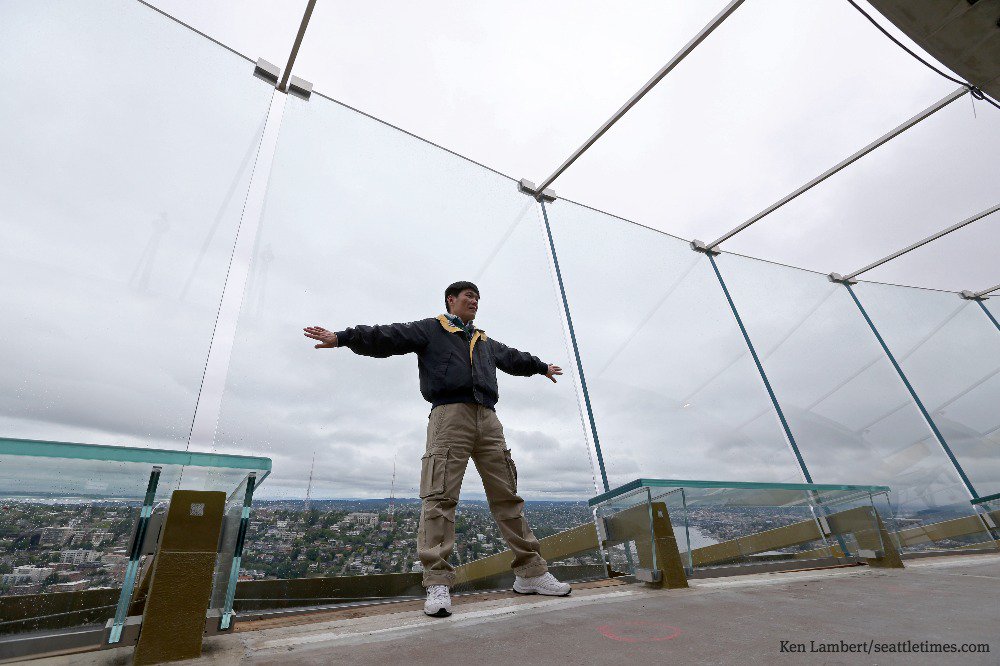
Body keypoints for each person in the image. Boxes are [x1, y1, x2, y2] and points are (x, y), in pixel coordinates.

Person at [303, 281, 572, 617]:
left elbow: (512, 358)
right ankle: (437, 582)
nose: (474, 301)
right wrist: (343, 337)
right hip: (449, 416)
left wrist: (541, 367)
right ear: (451, 300)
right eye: (468, 296)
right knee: (440, 497)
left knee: (507, 496)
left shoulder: (483, 341)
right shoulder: (432, 329)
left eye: (478, 297)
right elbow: (389, 336)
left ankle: (531, 573)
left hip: (488, 419)